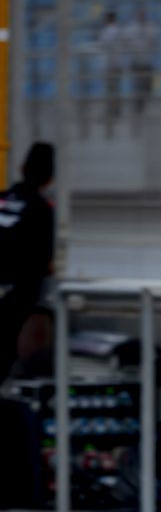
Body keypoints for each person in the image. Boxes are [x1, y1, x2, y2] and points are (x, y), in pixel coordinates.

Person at [0, 144, 57, 384]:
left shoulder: (2, 199)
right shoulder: (41, 209)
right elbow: (44, 260)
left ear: (21, 168)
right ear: (50, 179)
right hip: (15, 300)